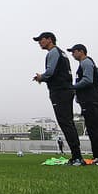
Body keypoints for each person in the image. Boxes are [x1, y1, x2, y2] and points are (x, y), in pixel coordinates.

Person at [32, 32, 84, 166]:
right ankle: (76, 155)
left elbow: (50, 72)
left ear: (49, 39)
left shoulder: (53, 52)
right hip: (65, 90)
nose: (39, 42)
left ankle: (77, 157)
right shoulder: (61, 53)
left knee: (65, 123)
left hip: (60, 91)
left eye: (41, 40)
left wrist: (40, 77)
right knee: (68, 122)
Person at [67, 44, 98, 165]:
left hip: (90, 100)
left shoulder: (86, 63)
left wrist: (72, 87)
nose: (72, 54)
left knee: (94, 128)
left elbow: (88, 80)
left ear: (81, 51)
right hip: (87, 100)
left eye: (74, 51)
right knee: (92, 128)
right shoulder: (83, 64)